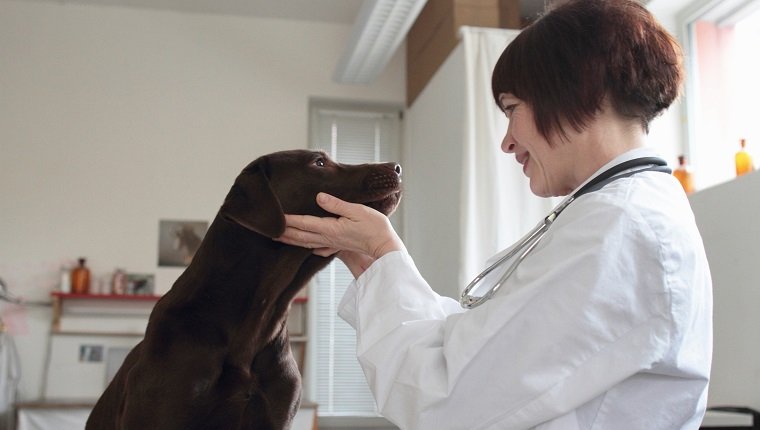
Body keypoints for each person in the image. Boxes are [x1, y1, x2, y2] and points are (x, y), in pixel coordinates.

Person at [277, 0, 713, 428]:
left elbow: (449, 402)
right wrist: (375, 259)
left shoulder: (619, 228)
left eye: (511, 109)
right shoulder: (617, 215)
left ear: (580, 90)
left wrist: (381, 253)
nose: (507, 141)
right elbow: (472, 349)